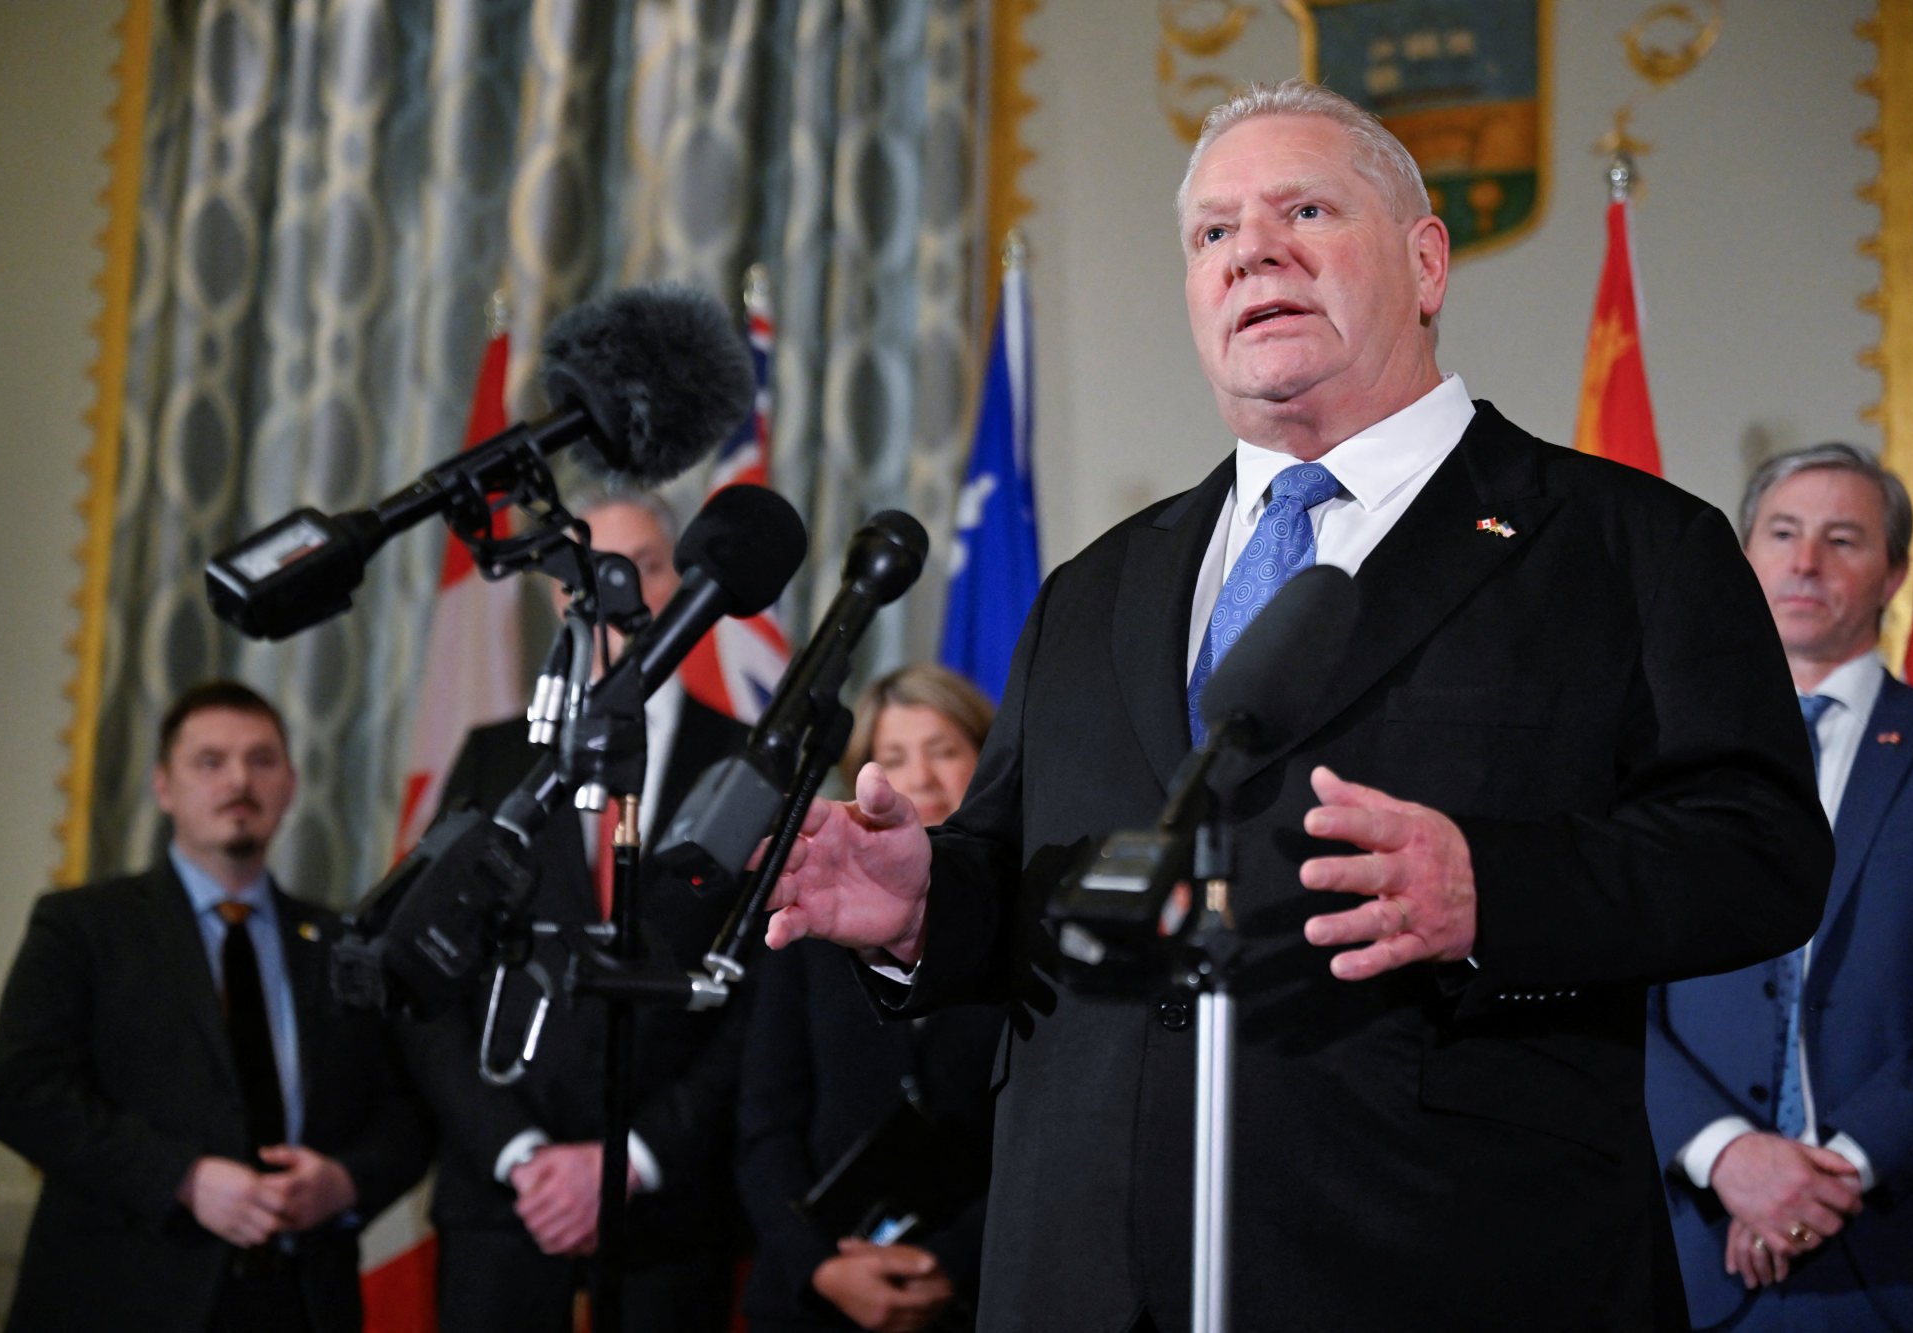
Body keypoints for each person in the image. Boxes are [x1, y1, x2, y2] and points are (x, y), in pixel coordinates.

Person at [760, 80, 1833, 1331]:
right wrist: (927, 905)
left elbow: (1759, 852)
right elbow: (1043, 876)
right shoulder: (1098, 587)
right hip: (1085, 1266)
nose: (1249, 251)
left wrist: (1498, 887)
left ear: (1425, 262)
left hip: (1440, 1259)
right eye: (1211, 233)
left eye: (1303, 210)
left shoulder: (1622, 544)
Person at [398, 480, 751, 1332]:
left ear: (684, 582)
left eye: (648, 567)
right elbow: (427, 980)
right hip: (502, 1211)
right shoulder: (491, 760)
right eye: (598, 571)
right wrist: (524, 1158)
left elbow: (760, 997)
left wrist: (630, 1158)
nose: (624, 591)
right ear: (563, 593)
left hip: (672, 1221)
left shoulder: (744, 762)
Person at [0, 680, 431, 1332]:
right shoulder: (84, 926)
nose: (238, 780)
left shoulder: (343, 943)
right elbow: (25, 1094)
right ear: (164, 786)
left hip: (299, 1300)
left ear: (290, 784)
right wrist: (183, 1177)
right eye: (210, 760)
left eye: (261, 759)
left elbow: (407, 1110)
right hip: (123, 1294)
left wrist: (344, 1181)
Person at [1646, 443, 1913, 1329]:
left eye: (1843, 538)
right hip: (1686, 1250)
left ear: (1897, 572)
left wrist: (1843, 1167)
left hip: (1909, 1254)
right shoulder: (1648, 758)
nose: (1805, 561)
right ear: (1743, 558)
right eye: (1782, 533)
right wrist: (1728, 1155)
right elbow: (1602, 983)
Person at [738, 666, 1003, 1333]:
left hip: (976, 1289)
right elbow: (764, 1126)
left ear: (987, 759)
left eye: (944, 751)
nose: (921, 780)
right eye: (893, 759)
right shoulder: (810, 926)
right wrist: (821, 1265)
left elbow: (1058, 1135)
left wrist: (945, 1263)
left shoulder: (1033, 927)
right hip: (814, 1294)